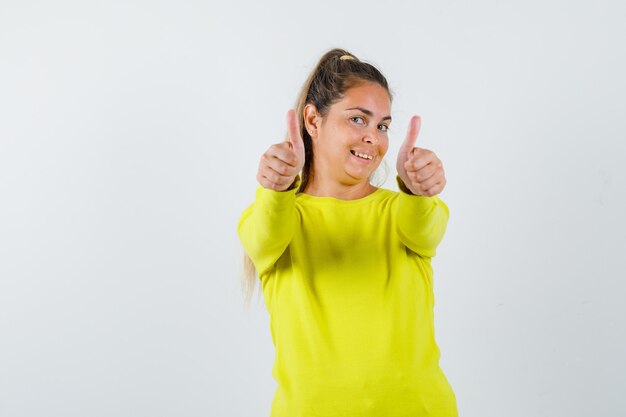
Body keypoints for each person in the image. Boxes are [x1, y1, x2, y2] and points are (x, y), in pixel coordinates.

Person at [237, 48, 458, 417]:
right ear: (313, 120)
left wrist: (419, 190)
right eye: (358, 119)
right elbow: (265, 232)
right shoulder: (276, 216)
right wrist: (277, 189)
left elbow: (425, 229)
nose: (373, 137)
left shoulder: (403, 210)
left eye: (382, 126)